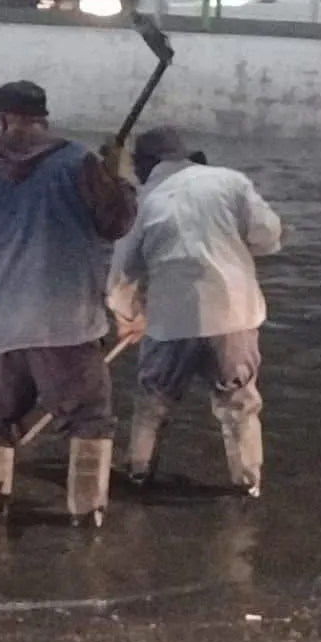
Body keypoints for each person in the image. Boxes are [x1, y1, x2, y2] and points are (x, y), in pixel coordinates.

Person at [0, 80, 137, 525]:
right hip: (68, 324)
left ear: (1, 121)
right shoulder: (80, 163)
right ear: (42, 118)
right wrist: (119, 175)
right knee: (89, 419)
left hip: (2, 327)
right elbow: (117, 222)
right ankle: (87, 523)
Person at [107, 126, 283, 498]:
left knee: (153, 404)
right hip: (234, 317)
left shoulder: (143, 202)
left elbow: (122, 275)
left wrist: (130, 314)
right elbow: (268, 236)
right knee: (239, 405)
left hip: (170, 324)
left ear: (145, 165)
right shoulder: (231, 182)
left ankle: (139, 476)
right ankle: (248, 486)